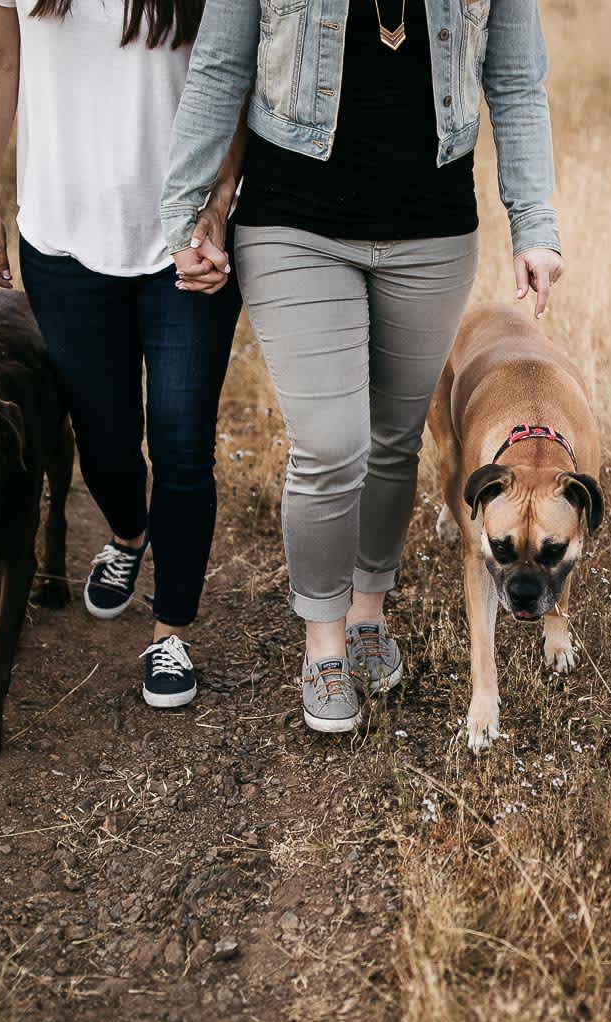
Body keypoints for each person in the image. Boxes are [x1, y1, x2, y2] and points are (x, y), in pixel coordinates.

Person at [160, 0, 563, 733]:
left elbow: (516, 81)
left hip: (432, 231)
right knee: (328, 443)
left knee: (393, 438)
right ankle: (323, 642)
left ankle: (369, 611)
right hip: (293, 222)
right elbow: (219, 67)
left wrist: (534, 224)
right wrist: (189, 211)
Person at [0, 0, 245, 709]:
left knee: (182, 445)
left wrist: (218, 205)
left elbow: (240, 73)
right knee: (105, 442)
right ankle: (128, 532)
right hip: (62, 241)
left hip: (184, 242)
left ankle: (171, 630)